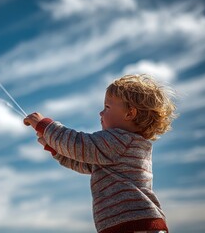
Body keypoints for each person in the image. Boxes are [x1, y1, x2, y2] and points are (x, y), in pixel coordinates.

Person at [24, 74, 176, 233]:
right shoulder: (117, 147)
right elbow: (83, 161)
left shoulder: (120, 140)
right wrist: (54, 147)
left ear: (130, 114)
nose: (100, 113)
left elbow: (78, 145)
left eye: (107, 107)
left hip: (135, 224)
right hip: (133, 224)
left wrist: (45, 126)